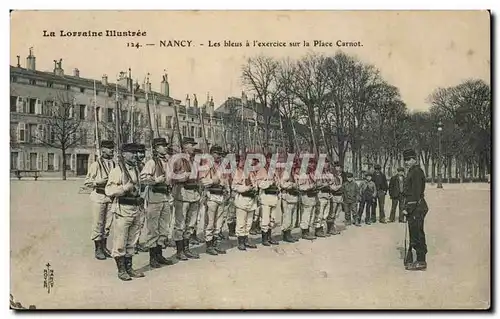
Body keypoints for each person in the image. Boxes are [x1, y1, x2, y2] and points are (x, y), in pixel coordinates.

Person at [105, 143, 145, 281]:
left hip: (136, 208)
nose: (135, 155)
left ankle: (129, 267)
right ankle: (121, 270)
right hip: (123, 208)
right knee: (120, 241)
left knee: (132, 241)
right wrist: (124, 188)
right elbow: (109, 190)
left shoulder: (137, 169)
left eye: (136, 153)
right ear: (123, 154)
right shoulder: (117, 171)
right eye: (131, 153)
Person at [139, 138, 174, 268]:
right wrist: (156, 180)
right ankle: (152, 257)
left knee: (164, 228)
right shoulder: (151, 163)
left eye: (165, 146)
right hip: (154, 197)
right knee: (153, 229)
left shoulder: (167, 162)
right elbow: (143, 179)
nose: (165, 148)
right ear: (155, 148)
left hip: (165, 197)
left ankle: (159, 255)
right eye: (162, 146)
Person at [84, 140, 116, 260]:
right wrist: (98, 182)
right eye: (109, 148)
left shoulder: (113, 164)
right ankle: (97, 249)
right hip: (99, 197)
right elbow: (87, 182)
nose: (112, 150)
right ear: (102, 150)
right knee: (98, 223)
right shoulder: (95, 165)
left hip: (110, 197)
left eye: (112, 148)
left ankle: (104, 247)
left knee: (107, 224)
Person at [171, 137, 201, 260]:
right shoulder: (177, 160)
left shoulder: (195, 161)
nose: (193, 147)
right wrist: (184, 176)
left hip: (194, 194)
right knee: (180, 224)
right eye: (191, 145)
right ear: (184, 146)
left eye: (193, 145)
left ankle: (186, 248)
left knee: (190, 224)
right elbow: (171, 176)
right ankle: (179, 250)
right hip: (182, 194)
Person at [402, 149, 429, 271]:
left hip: (416, 208)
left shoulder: (416, 172)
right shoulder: (412, 171)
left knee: (417, 232)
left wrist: (408, 209)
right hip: (414, 207)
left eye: (409, 159)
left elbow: (416, 193)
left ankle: (421, 260)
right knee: (414, 232)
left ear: (415, 159)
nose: (406, 162)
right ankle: (416, 258)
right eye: (405, 160)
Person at [200, 145, 228, 255]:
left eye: (220, 154)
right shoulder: (206, 166)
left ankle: (215, 244)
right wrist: (214, 180)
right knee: (210, 223)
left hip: (221, 196)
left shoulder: (222, 167)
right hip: (211, 195)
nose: (219, 156)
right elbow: (203, 181)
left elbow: (225, 181)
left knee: (219, 223)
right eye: (217, 154)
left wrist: (226, 188)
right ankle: (209, 246)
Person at [232, 155, 259, 250]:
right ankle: (241, 241)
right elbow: (234, 186)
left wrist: (255, 188)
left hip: (251, 200)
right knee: (241, 222)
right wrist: (246, 189)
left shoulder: (252, 173)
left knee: (249, 222)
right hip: (242, 199)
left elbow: (255, 184)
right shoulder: (238, 173)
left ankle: (246, 239)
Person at [255, 153, 280, 246]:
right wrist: (269, 183)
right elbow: (259, 184)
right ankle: (264, 238)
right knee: (265, 219)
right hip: (265, 197)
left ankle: (269, 237)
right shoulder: (262, 170)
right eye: (270, 159)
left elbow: (278, 183)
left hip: (274, 197)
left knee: (272, 219)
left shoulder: (275, 171)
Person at [279, 156, 300, 243]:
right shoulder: (286, 173)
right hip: (287, 197)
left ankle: (289, 233)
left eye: (294, 163)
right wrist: (291, 185)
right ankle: (286, 234)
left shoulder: (293, 173)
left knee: (293, 217)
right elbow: (282, 184)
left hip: (294, 197)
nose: (293, 164)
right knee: (287, 217)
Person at [298, 158, 318, 240]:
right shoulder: (303, 175)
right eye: (310, 164)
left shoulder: (312, 174)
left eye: (313, 164)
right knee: (306, 215)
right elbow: (300, 187)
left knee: (312, 216)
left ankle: (309, 231)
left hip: (313, 197)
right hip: (306, 197)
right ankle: (304, 232)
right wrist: (309, 187)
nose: (312, 166)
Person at [314, 159, 333, 237]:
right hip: (320, 195)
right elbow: (317, 184)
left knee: (325, 214)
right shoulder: (317, 173)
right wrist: (325, 184)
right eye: (324, 163)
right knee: (319, 214)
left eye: (327, 163)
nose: (325, 165)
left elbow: (330, 183)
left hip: (327, 195)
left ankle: (322, 229)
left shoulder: (327, 173)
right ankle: (317, 230)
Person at [327, 161, 343, 235]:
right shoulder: (331, 176)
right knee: (332, 213)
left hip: (340, 196)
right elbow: (330, 186)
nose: (338, 168)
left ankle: (334, 227)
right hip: (334, 196)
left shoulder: (340, 176)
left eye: (339, 167)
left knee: (337, 213)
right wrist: (337, 187)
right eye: (336, 166)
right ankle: (330, 228)